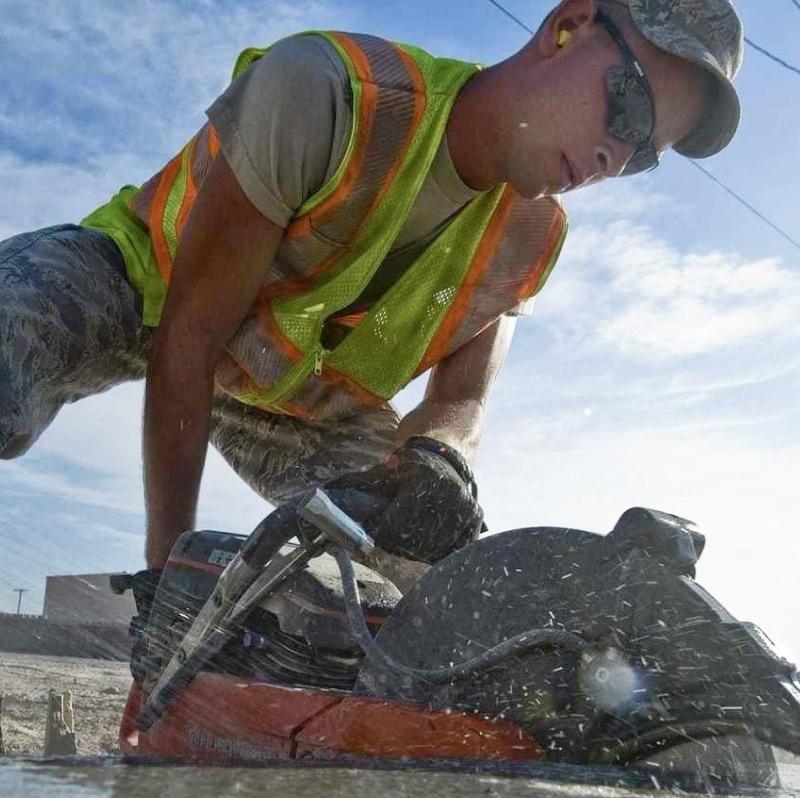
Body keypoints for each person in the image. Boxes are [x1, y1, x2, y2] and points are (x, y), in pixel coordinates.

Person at [0, 0, 743, 577]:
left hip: (293, 400)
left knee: (443, 578)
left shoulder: (532, 238)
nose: (618, 156)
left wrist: (440, 464)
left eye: (646, 154)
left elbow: (462, 404)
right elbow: (189, 337)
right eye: (630, 109)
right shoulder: (332, 92)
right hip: (141, 287)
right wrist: (170, 574)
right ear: (570, 25)